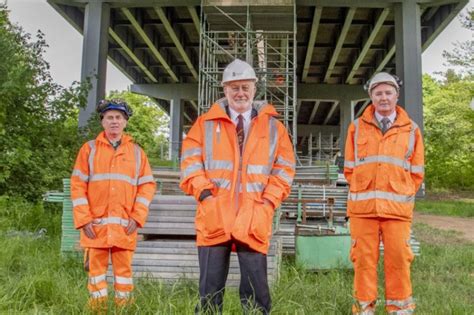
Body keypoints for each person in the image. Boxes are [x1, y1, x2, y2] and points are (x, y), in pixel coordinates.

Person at [180, 59, 295, 314]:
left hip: (254, 216)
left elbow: (285, 169)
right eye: (234, 88)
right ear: (225, 90)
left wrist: (268, 202)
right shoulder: (204, 124)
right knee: (209, 292)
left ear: (254, 88)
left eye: (245, 87)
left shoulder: (274, 127)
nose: (240, 93)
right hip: (215, 216)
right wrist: (206, 195)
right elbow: (189, 164)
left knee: (256, 294)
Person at [344, 72, 424, 315]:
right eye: (378, 93)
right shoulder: (356, 128)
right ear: (371, 97)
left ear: (396, 96)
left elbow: (417, 172)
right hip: (363, 211)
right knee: (364, 261)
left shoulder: (411, 130)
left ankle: (400, 310)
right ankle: (365, 309)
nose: (384, 98)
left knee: (399, 261)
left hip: (397, 212)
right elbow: (349, 169)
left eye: (388, 92)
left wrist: (401, 192)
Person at [71, 99, 156, 310]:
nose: (114, 122)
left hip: (125, 226)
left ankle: (124, 310)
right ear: (103, 122)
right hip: (95, 227)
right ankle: (97, 311)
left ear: (125, 122)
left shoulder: (137, 153)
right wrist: (83, 219)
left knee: (124, 275)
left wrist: (137, 218)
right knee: (96, 274)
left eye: (119, 117)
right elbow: (77, 185)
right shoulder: (88, 150)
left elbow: (147, 187)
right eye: (110, 118)